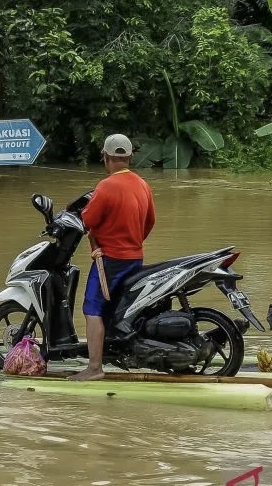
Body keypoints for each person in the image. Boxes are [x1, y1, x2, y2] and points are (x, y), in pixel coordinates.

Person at [68, 134, 155, 381]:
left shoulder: (106, 186)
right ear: (129, 158)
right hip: (135, 258)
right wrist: (133, 242)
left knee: (92, 308)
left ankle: (95, 367)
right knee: (117, 306)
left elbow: (86, 220)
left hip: (110, 261)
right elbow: (149, 222)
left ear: (106, 158)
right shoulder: (143, 185)